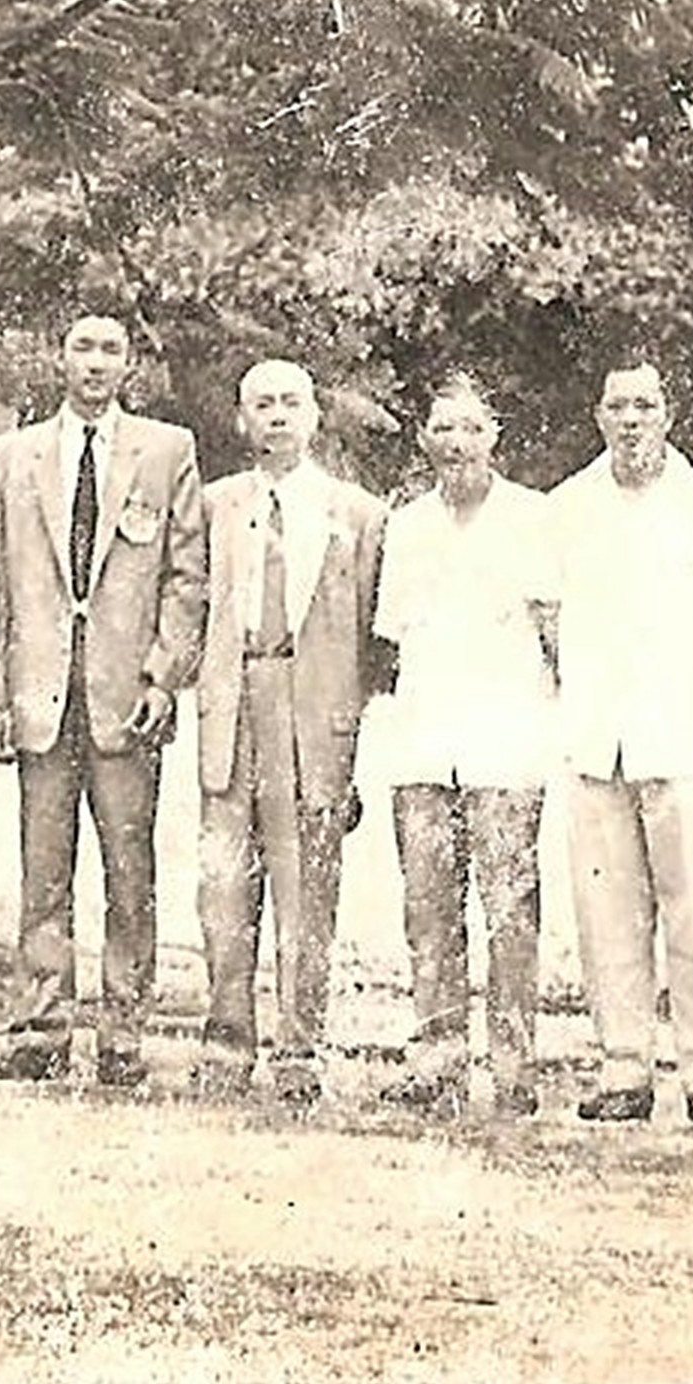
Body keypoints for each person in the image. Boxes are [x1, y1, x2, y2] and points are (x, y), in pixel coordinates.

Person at [0, 307, 209, 1088]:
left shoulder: (167, 451)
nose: (96, 362)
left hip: (126, 698)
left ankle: (122, 1032)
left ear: (129, 365)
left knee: (128, 870)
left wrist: (163, 675)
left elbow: (186, 576)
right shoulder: (13, 455)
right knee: (43, 870)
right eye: (82, 347)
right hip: (41, 694)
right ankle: (42, 1026)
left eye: (111, 350)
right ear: (60, 358)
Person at [551, 351, 693, 1129]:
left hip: (681, 734)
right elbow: (548, 622)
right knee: (608, 913)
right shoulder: (568, 506)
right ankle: (623, 1069)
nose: (631, 421)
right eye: (618, 406)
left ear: (669, 414)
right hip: (596, 738)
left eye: (645, 406)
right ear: (598, 416)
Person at [192, 358, 388, 1104]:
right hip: (234, 702)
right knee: (223, 885)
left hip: (312, 716)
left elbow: (372, 641)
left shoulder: (359, 515)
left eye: (291, 403)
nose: (277, 416)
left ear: (314, 417)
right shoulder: (214, 505)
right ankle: (225, 1045)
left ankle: (300, 1050)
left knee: (307, 889)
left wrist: (350, 728)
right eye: (262, 404)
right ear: (241, 419)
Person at [370, 375, 558, 1119]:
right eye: (443, 428)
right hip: (424, 743)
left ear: (494, 436)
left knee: (509, 910)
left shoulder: (532, 517)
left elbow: (553, 632)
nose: (456, 443)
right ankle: (438, 1064)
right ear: (424, 437)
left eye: (471, 428)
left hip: (505, 746)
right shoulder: (407, 524)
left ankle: (514, 1071)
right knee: (428, 911)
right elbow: (392, 639)